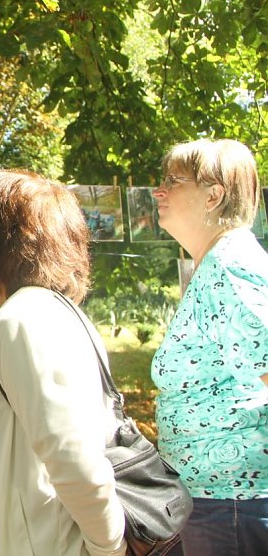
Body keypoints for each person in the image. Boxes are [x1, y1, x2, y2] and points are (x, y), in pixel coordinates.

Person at [0, 169, 126, 556]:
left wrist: (107, 547)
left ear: (4, 238)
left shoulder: (24, 319)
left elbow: (73, 456)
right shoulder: (53, 312)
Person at [150, 139, 268, 556]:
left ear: (213, 195)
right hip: (218, 502)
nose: (158, 191)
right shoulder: (216, 262)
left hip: (233, 504)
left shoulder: (228, 265)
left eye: (173, 181)